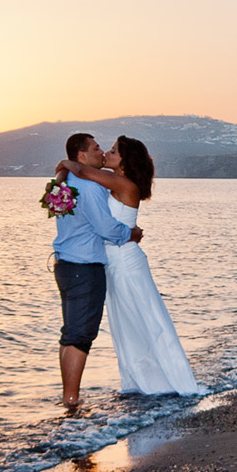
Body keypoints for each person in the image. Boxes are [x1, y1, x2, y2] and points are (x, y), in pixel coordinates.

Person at [56, 136, 199, 395]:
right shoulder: (109, 184)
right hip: (112, 262)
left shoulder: (122, 183)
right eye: (104, 149)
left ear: (125, 162)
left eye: (113, 151)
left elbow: (82, 170)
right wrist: (62, 175)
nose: (107, 153)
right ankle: (144, 381)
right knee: (127, 326)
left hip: (126, 262)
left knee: (147, 319)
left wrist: (65, 163)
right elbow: (80, 182)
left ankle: (173, 380)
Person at [53, 133, 144, 408]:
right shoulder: (90, 187)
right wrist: (131, 233)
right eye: (96, 148)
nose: (101, 151)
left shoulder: (66, 182)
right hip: (84, 267)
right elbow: (106, 229)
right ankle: (71, 399)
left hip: (64, 264)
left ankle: (68, 396)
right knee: (80, 336)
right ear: (81, 156)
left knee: (70, 333)